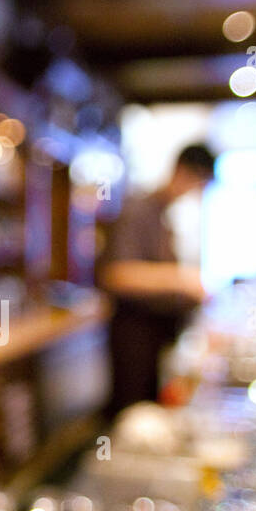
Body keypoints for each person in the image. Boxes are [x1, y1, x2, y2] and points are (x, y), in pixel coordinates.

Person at [100, 143, 216, 416]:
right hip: (134, 333)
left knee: (151, 410)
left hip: (155, 333)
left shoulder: (162, 213)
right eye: (197, 183)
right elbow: (116, 274)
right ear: (182, 172)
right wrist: (180, 279)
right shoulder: (139, 209)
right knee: (132, 415)